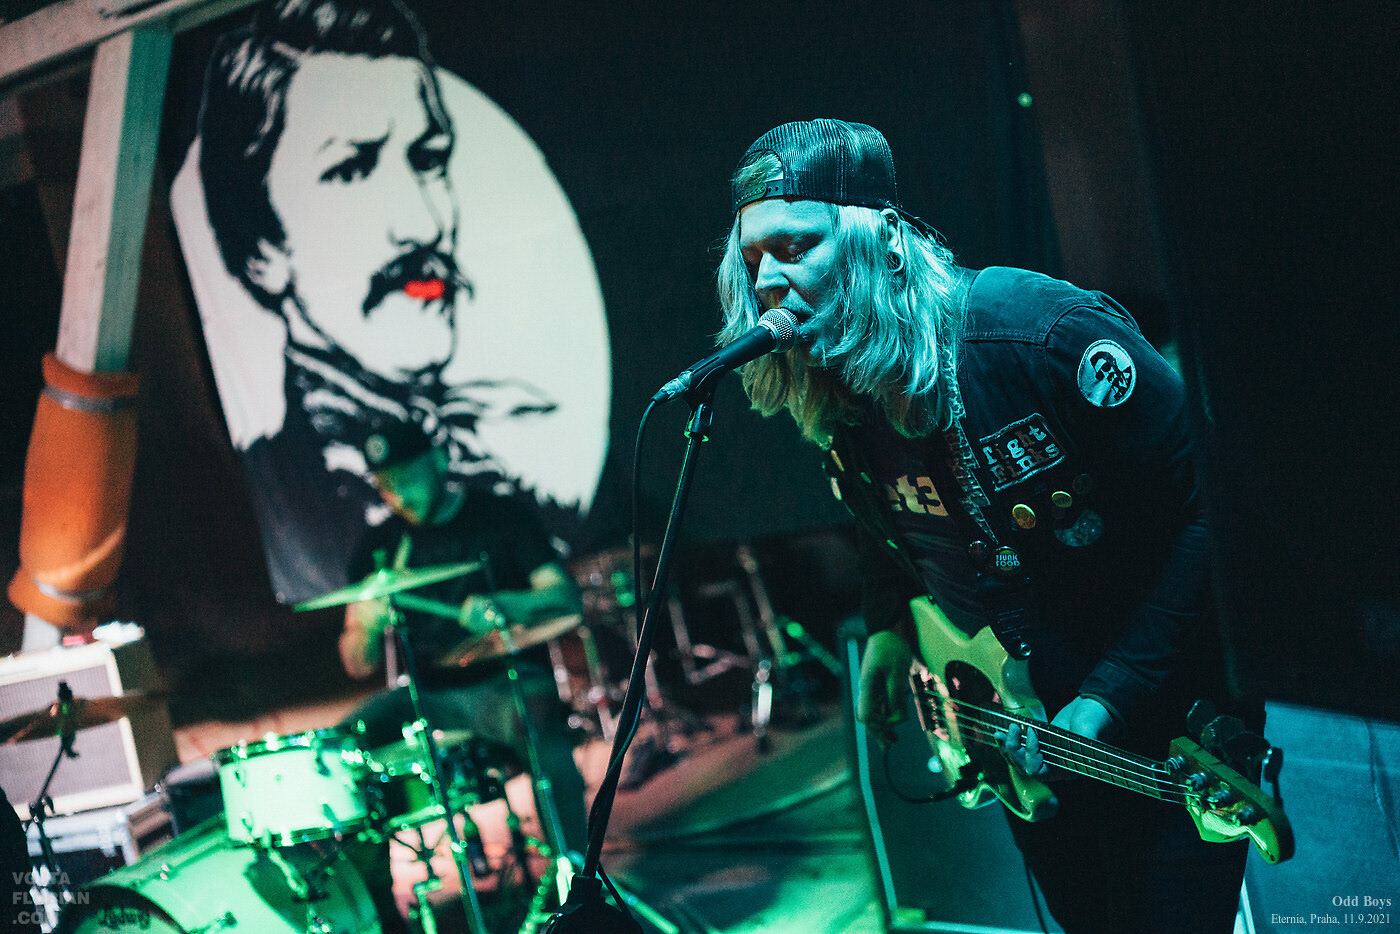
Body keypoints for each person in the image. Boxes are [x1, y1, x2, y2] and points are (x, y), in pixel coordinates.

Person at [715, 119, 1251, 934]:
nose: (767, 280)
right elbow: (888, 516)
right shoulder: (844, 380)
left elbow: (1216, 508)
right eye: (753, 257)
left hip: (1166, 731)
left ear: (880, 237)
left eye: (795, 245)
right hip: (1026, 742)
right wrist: (889, 625)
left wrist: (1109, 693)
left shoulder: (1036, 334)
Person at [194, 0, 557, 603]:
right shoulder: (300, 477)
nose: (423, 224)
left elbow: (561, 602)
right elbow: (357, 649)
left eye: (429, 160)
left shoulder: (518, 454)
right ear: (261, 248)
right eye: (351, 169)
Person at [336, 420, 589, 926]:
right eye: (385, 485)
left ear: (438, 461)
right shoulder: (380, 547)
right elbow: (356, 663)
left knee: (541, 729)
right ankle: (381, 913)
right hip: (427, 693)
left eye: (406, 478)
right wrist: (365, 625)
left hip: (505, 679)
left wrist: (505, 603)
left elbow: (564, 597)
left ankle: (579, 881)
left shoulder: (499, 516)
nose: (397, 494)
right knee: (344, 747)